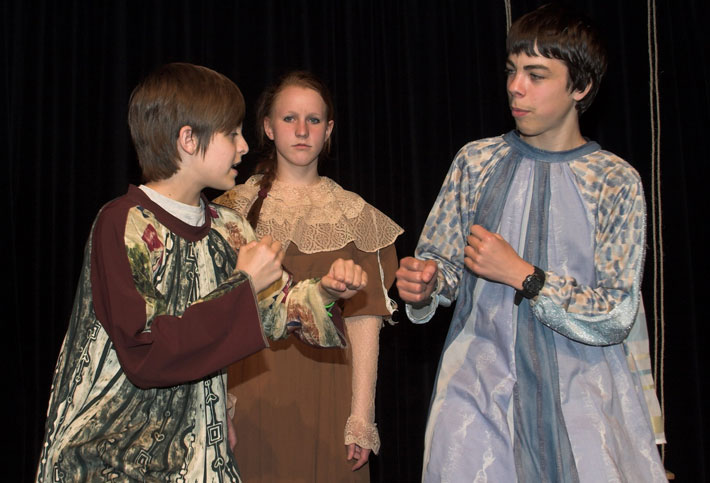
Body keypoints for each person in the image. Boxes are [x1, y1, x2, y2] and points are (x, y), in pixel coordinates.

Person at [35, 63, 369, 482]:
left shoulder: (229, 228)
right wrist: (244, 284)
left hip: (197, 461)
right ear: (188, 140)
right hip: (113, 460)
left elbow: (279, 309)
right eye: (231, 134)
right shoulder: (123, 223)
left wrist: (325, 293)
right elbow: (145, 352)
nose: (244, 146)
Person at [395, 4, 666, 482]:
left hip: (584, 404)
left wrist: (525, 275)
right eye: (512, 70)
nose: (515, 87)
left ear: (580, 87)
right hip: (478, 397)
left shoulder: (614, 181)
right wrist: (426, 285)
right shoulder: (475, 162)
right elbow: (441, 265)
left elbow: (616, 313)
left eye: (536, 75)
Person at [214, 71, 402, 481]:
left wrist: (361, 417)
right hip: (251, 392)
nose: (302, 130)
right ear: (268, 127)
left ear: (328, 130)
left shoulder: (356, 215)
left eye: (313, 120)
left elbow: (365, 320)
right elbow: (214, 317)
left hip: (330, 393)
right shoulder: (230, 210)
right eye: (289, 118)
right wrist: (218, 405)